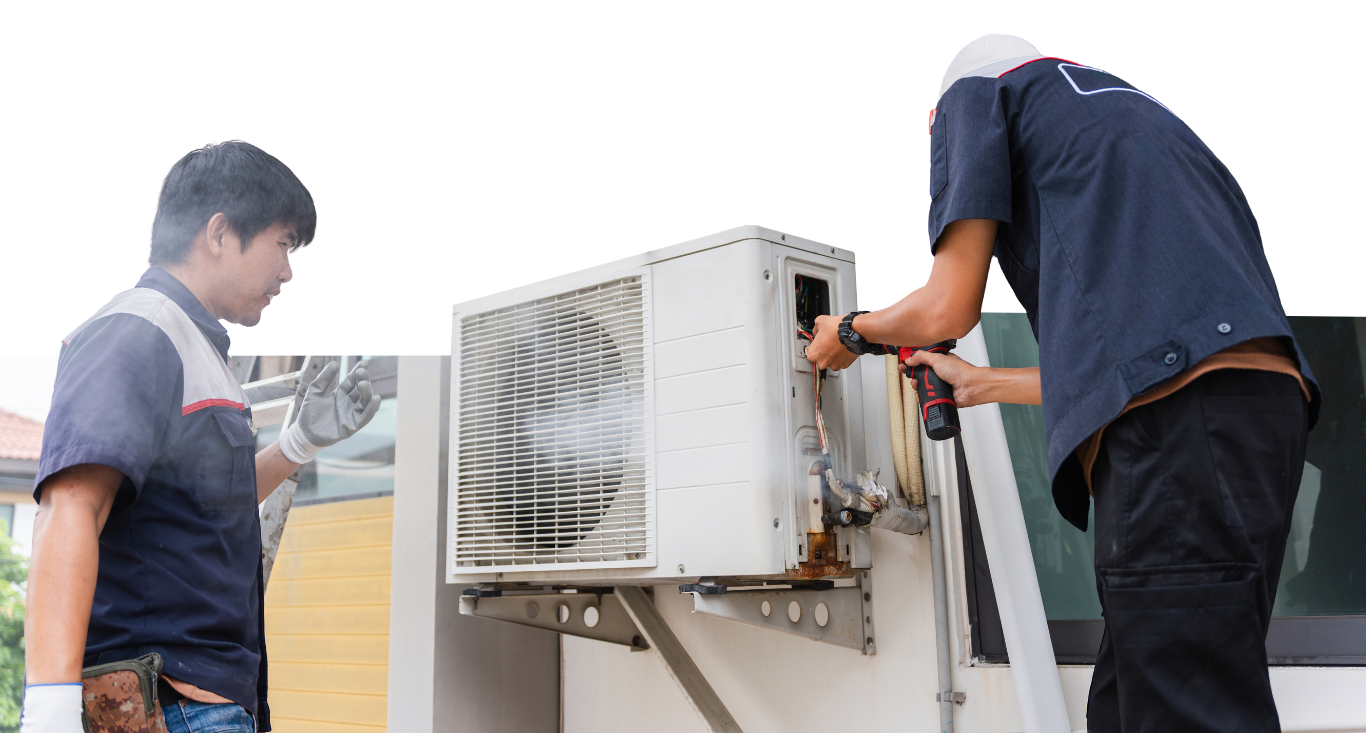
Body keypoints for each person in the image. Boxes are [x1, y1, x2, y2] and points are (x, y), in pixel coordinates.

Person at [806, 33, 1318, 732]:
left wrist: (850, 332)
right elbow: (1144, 356)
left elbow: (947, 307)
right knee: (1131, 702)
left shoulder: (976, 96)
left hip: (1180, 434)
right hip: (1258, 412)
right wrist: (981, 382)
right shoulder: (1128, 115)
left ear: (937, 121)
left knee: (1183, 709)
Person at [21, 140, 381, 733]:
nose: (288, 271)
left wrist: (298, 444)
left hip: (203, 700)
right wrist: (51, 711)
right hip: (167, 700)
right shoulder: (137, 328)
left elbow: (205, 507)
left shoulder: (200, 349)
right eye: (283, 244)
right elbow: (70, 508)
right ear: (219, 233)